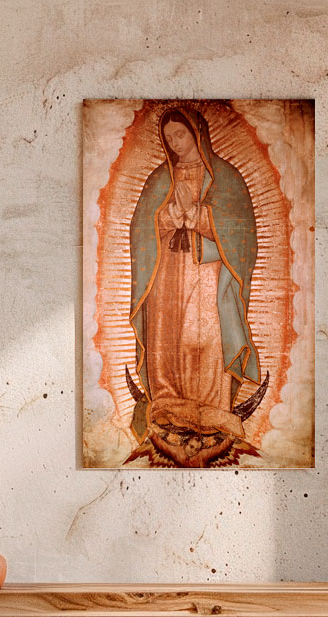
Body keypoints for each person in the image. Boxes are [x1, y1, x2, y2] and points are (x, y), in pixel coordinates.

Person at [128, 106, 260, 459]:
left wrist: (201, 217)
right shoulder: (159, 180)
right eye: (169, 138)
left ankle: (212, 408)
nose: (175, 143)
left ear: (196, 133)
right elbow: (141, 229)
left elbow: (243, 233)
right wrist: (167, 217)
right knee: (168, 334)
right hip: (167, 274)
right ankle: (168, 403)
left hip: (207, 273)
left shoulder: (224, 178)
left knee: (203, 335)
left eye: (180, 135)